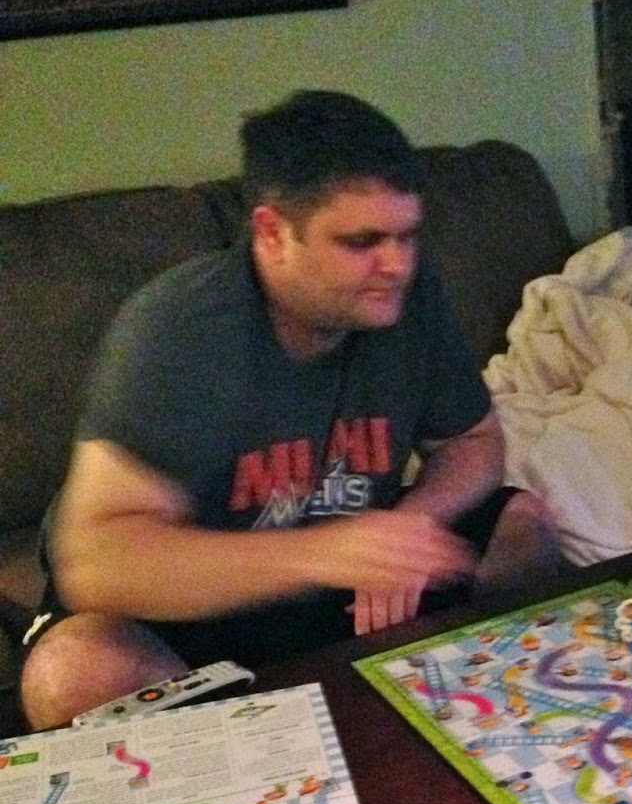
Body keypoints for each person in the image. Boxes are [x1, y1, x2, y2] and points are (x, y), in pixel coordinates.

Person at [20, 90, 560, 730]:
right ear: (273, 233)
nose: (396, 265)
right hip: (192, 607)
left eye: (407, 235)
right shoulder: (177, 329)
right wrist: (323, 553)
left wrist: (408, 530)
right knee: (72, 673)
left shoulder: (410, 297)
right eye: (361, 241)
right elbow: (94, 561)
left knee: (524, 526)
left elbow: (473, 443)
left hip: (341, 585)